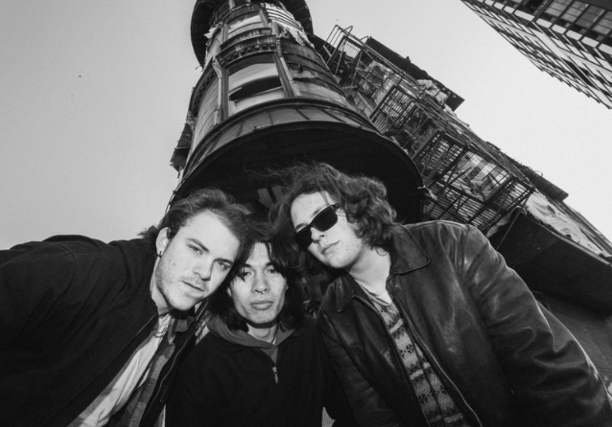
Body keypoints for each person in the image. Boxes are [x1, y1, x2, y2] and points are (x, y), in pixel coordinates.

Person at [269, 162, 612, 427]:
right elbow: (376, 416)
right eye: (303, 235)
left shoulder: (452, 245)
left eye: (323, 218)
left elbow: (543, 361)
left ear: (356, 207)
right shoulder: (333, 316)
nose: (315, 236)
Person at [0, 188, 250, 427]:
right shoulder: (84, 272)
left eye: (221, 264)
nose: (205, 272)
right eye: (195, 249)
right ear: (164, 241)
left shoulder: (180, 329)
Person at [166, 217, 356, 427]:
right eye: (245, 273)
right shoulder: (200, 366)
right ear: (227, 287)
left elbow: (349, 408)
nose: (261, 286)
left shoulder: (312, 334)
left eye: (272, 270)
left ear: (287, 282)